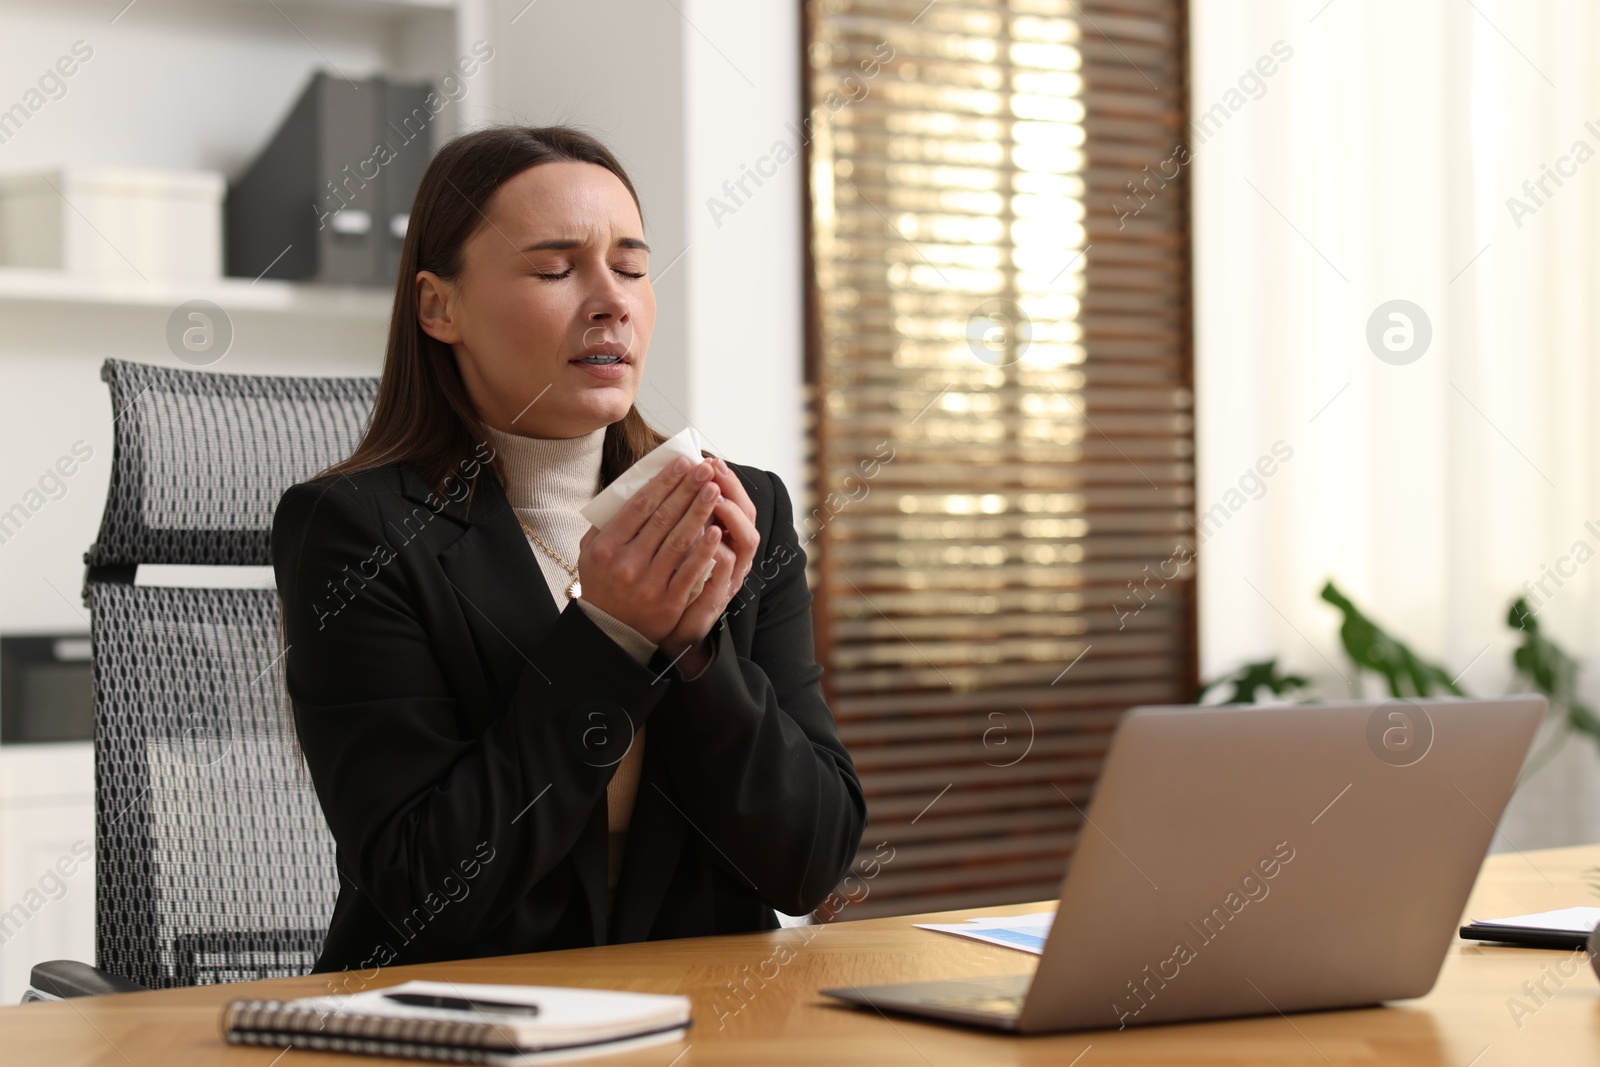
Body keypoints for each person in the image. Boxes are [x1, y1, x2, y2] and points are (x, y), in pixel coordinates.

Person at [270, 125, 866, 973]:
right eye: (556, 268)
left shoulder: (740, 507)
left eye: (630, 267)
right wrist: (611, 637)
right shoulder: (354, 528)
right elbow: (427, 889)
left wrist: (695, 651)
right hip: (457, 1028)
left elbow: (809, 861)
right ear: (439, 307)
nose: (611, 300)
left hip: (704, 1022)